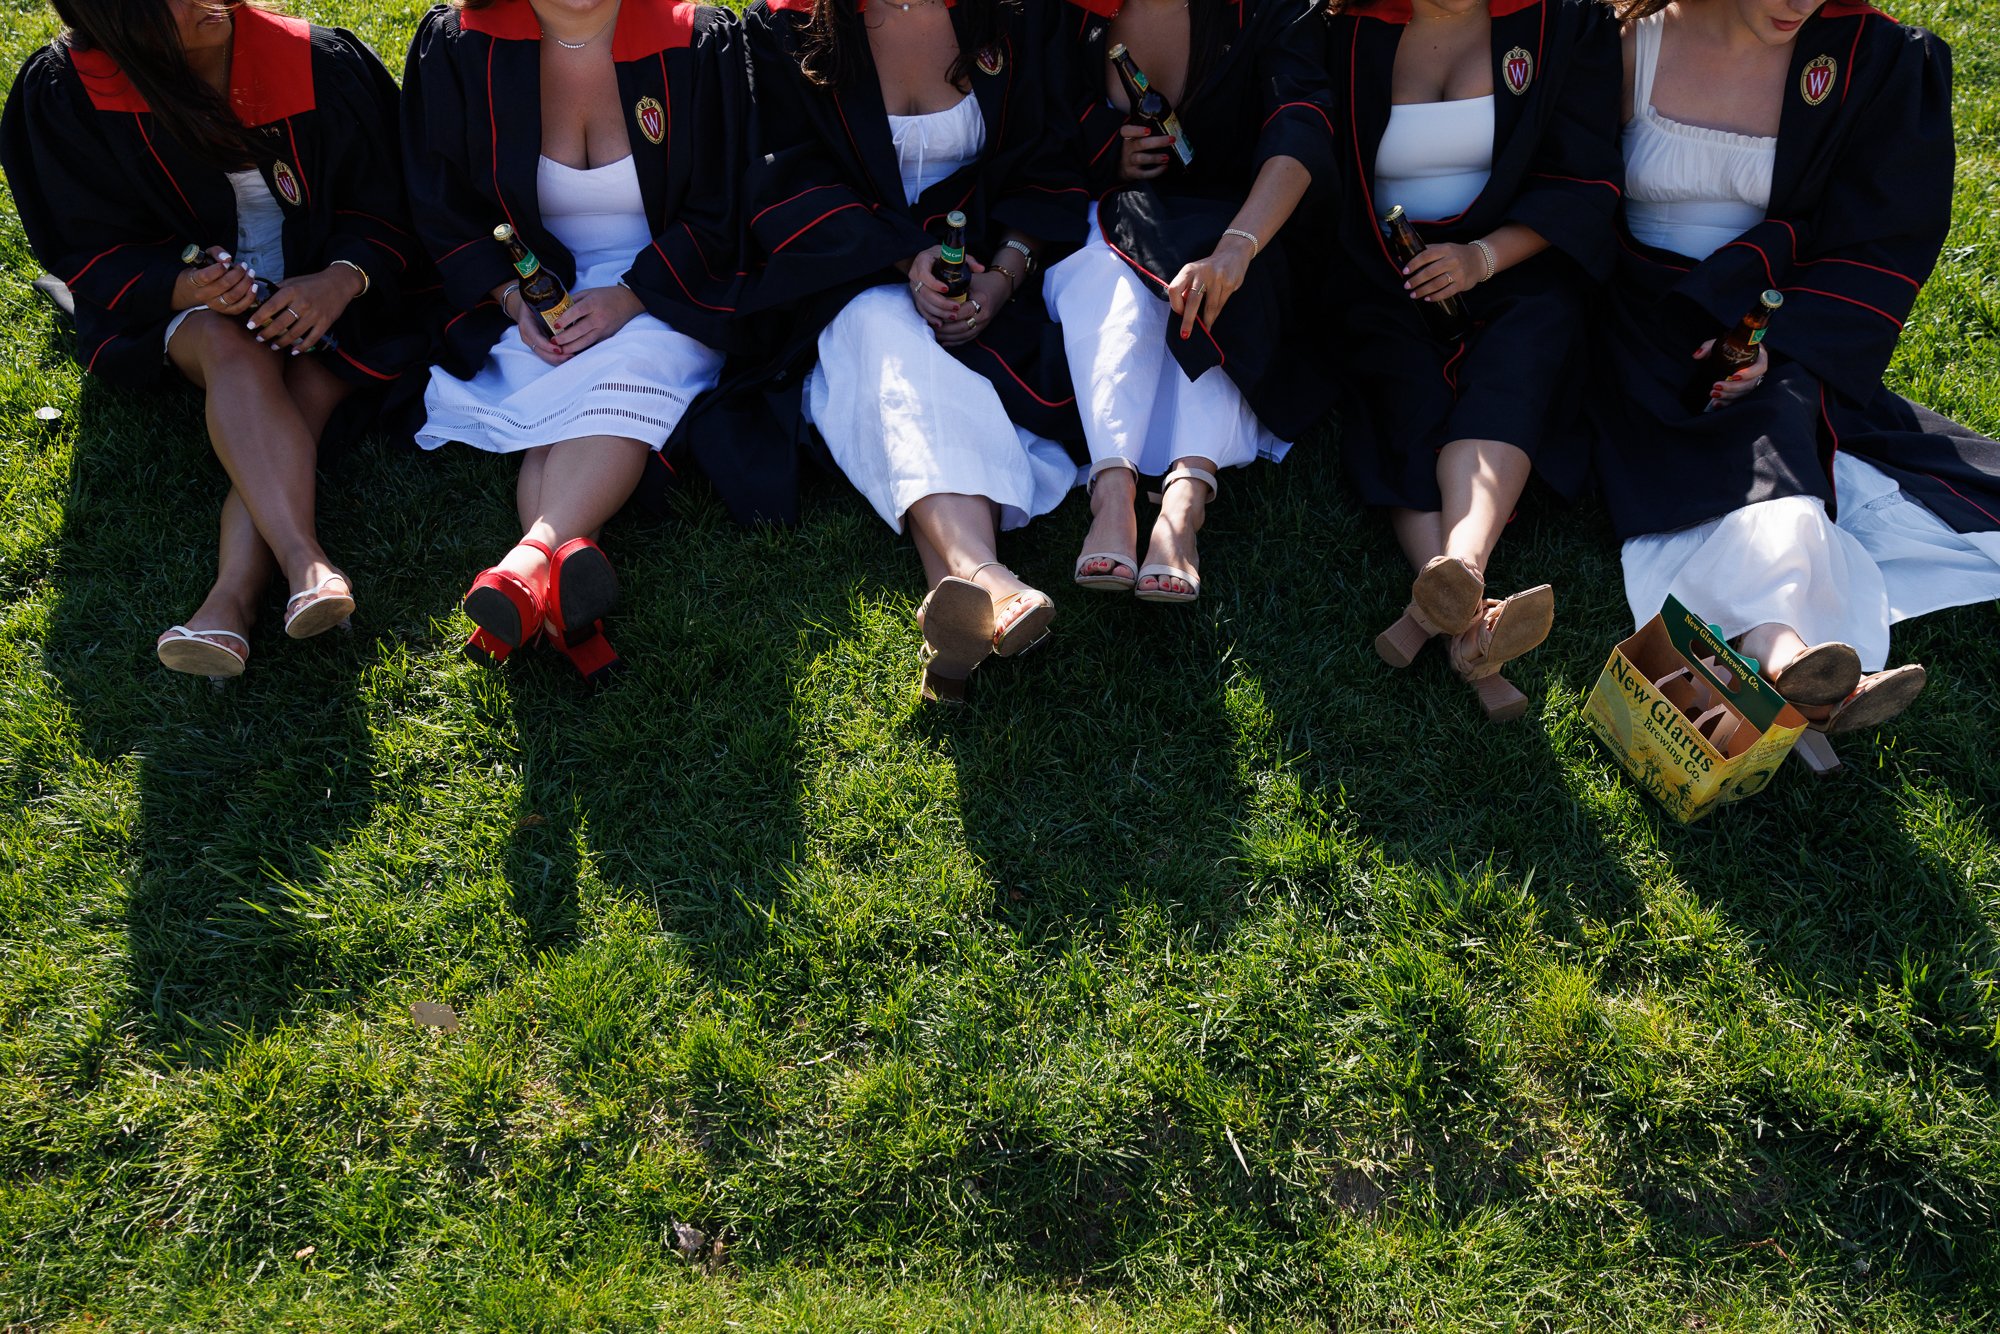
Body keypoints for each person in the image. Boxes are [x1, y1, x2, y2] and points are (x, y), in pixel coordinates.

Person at [1586, 0, 1989, 735]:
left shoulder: (1872, 57)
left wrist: (1779, 342)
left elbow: (1878, 238)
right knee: (1702, 438)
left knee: (1778, 409)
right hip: (1637, 320)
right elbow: (1565, 191)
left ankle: (1786, 652)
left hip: (1770, 311)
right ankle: (1791, 657)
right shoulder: (1622, 40)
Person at [1, 0, 427, 680]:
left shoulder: (316, 63)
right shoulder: (69, 91)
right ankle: (305, 562)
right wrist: (185, 286)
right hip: (186, 312)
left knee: (307, 390)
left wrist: (339, 280)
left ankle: (227, 604)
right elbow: (83, 240)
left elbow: (395, 201)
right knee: (235, 351)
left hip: (329, 300)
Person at [739, 0, 1089, 702]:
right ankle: (986, 572)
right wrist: (905, 258)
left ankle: (956, 609)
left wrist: (1002, 277)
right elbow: (786, 180)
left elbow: (1046, 158)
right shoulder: (789, 25)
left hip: (982, 277)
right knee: (887, 339)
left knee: (922, 387)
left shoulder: (1012, 14)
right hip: (849, 269)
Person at [401, 0, 746, 682]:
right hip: (534, 300)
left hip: (666, 287)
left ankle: (529, 559)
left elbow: (726, 204)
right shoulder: (461, 46)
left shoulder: (697, 42)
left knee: (627, 371)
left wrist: (632, 297)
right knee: (568, 391)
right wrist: (510, 298)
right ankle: (547, 590)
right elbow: (440, 203)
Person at [1323, 0, 1622, 721]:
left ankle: (1457, 571)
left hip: (1512, 266)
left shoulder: (1561, 23)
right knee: (1404, 397)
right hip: (1385, 276)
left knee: (1515, 370)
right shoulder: (1341, 29)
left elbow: (1583, 181)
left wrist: (1479, 258)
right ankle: (1468, 618)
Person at [1044, 0, 1336, 607]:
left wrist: (1239, 246)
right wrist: (1107, 150)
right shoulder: (1070, 8)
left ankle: (1185, 500)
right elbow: (1038, 111)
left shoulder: (1275, 6)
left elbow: (1301, 122)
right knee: (1105, 279)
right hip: (1117, 210)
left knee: (1221, 295)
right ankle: (1113, 491)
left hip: (1243, 214)